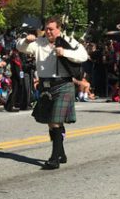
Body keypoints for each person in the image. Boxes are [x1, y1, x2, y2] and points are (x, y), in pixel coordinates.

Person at [17, 16, 88, 170]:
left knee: (55, 121)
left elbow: (83, 56)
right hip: (45, 87)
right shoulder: (39, 43)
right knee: (51, 123)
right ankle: (61, 153)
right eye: (47, 28)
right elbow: (20, 48)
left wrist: (65, 53)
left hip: (63, 84)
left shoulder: (69, 41)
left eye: (51, 29)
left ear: (59, 28)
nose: (48, 31)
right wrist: (26, 40)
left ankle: (54, 159)